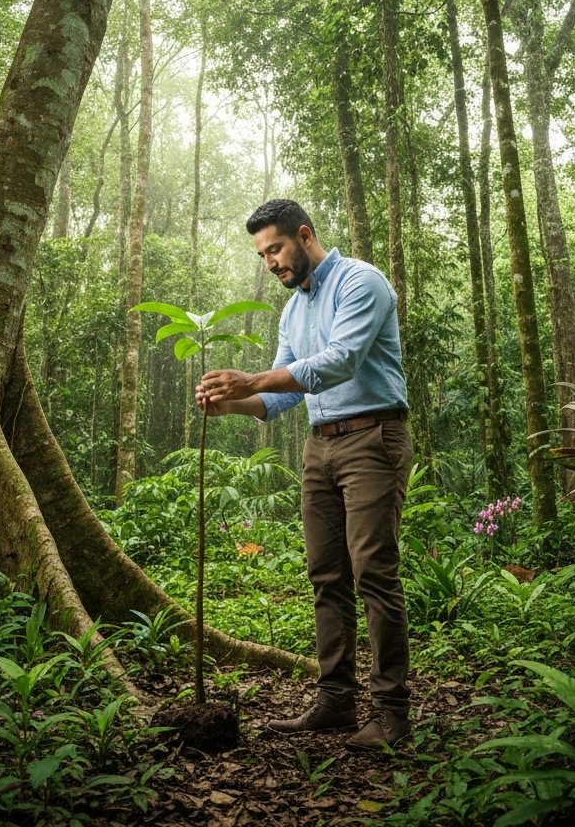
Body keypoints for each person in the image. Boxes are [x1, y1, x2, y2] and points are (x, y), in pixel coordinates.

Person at [195, 198, 413, 751]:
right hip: (320, 447)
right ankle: (336, 701)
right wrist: (230, 404)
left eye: (276, 249)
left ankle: (391, 714)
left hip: (373, 438)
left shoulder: (360, 282)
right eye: (262, 256)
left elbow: (340, 361)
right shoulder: (293, 311)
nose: (270, 263)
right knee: (326, 576)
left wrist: (252, 379)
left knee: (374, 574)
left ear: (305, 235)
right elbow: (279, 396)